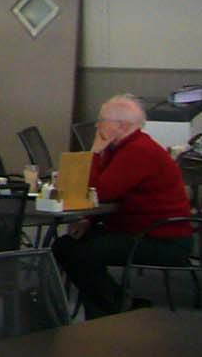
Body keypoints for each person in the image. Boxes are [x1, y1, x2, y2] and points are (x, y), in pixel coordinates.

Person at [51, 95, 194, 317]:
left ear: (123, 125)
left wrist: (95, 153)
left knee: (84, 253)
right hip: (137, 229)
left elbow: (102, 193)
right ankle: (115, 304)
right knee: (65, 246)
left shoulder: (138, 150)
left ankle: (115, 306)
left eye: (102, 120)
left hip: (162, 238)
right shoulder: (122, 148)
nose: (98, 125)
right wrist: (88, 220)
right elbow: (97, 191)